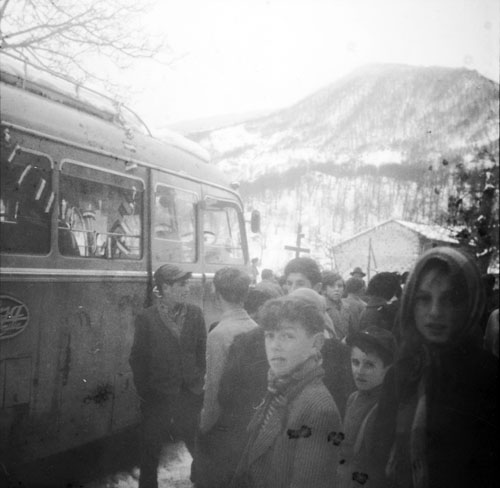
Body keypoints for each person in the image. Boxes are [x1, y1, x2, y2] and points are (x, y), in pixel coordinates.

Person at [372, 247, 498, 488]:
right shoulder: (401, 371)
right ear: (410, 303)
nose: (435, 312)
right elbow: (378, 456)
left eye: (449, 299)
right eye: (423, 298)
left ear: (469, 304)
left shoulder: (488, 378)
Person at [231, 296, 341, 488]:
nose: (275, 345)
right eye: (270, 335)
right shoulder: (279, 386)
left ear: (316, 343)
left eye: (288, 336)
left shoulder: (318, 409)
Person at [129, 264, 206, 488]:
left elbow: (202, 352)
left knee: (197, 444)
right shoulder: (147, 317)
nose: (187, 288)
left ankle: (204, 481)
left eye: (187, 284)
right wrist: (146, 392)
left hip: (189, 392)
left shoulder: (195, 314)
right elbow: (137, 358)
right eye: (182, 284)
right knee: (150, 449)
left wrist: (198, 380)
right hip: (158, 395)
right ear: (165, 287)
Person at [195, 267, 258, 486]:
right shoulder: (255, 328)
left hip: (224, 426)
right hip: (249, 421)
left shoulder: (219, 334)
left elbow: (214, 387)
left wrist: (204, 425)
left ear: (216, 293)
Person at [337, 327, 396, 488]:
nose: (359, 371)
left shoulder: (385, 408)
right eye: (355, 362)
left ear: (388, 369)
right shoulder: (353, 398)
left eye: (369, 364)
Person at [322, 271, 353, 340]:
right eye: (332, 286)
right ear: (324, 289)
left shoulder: (347, 307)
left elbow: (351, 331)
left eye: (340, 286)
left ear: (343, 289)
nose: (336, 289)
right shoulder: (321, 307)